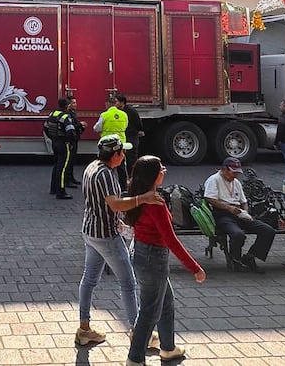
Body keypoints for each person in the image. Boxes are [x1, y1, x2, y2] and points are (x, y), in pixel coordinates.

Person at [76, 135, 164, 346]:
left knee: (89, 279)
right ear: (115, 155)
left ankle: (84, 328)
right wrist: (143, 198)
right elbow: (115, 204)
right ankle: (137, 331)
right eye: (122, 152)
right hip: (106, 236)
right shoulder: (105, 174)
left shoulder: (92, 167)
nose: (124, 156)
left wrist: (118, 221)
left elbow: (103, 204)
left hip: (90, 230)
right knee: (128, 283)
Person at [124, 156, 206, 365]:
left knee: (166, 302)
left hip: (141, 252)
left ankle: (168, 347)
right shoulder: (155, 203)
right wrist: (194, 268)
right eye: (161, 169)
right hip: (153, 258)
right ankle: (135, 358)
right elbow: (170, 239)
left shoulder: (137, 196)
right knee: (150, 311)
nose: (164, 171)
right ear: (153, 175)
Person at [203, 157, 276, 273]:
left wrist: (245, 213)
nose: (235, 175)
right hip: (222, 214)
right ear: (225, 169)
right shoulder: (214, 180)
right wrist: (229, 208)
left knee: (268, 231)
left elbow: (244, 201)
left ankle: (250, 256)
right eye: (233, 172)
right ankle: (235, 259)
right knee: (238, 234)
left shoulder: (236, 182)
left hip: (238, 213)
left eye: (237, 172)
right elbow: (210, 199)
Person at [94, 95, 130, 188]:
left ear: (107, 104)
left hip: (107, 144)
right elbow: (125, 126)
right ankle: (123, 187)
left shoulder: (105, 115)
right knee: (121, 166)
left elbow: (97, 128)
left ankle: (109, 186)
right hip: (121, 143)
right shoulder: (124, 114)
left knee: (108, 166)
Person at [44, 97, 76, 199]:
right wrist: (70, 141)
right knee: (62, 168)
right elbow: (70, 131)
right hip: (63, 144)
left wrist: (52, 137)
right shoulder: (65, 117)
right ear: (67, 106)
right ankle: (61, 192)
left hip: (55, 142)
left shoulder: (52, 114)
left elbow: (45, 127)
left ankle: (53, 188)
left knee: (56, 165)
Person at [114, 93, 144, 175]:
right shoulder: (116, 112)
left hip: (131, 137)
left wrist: (139, 131)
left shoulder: (131, 111)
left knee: (131, 159)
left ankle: (132, 177)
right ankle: (123, 180)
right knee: (120, 160)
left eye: (116, 101)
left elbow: (138, 123)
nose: (114, 103)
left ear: (122, 102)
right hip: (122, 138)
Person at [64, 95, 87, 188]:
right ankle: (67, 180)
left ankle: (71, 178)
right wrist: (80, 125)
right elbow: (71, 126)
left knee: (72, 160)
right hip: (70, 140)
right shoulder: (68, 114)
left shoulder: (72, 112)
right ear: (68, 104)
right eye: (73, 102)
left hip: (75, 138)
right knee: (68, 161)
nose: (75, 104)